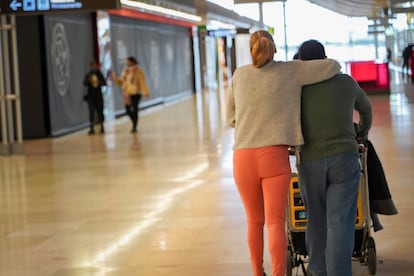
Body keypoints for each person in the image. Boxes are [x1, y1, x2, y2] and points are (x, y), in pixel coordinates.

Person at [225, 30, 341, 276]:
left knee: (254, 221)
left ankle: (258, 272)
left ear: (251, 50)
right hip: (274, 156)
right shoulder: (290, 70)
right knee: (276, 221)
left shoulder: (239, 75)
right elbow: (333, 66)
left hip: (243, 157)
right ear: (274, 49)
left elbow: (230, 118)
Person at [296, 39, 373, 276]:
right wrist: (360, 132)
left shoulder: (296, 87)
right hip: (344, 158)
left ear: (300, 61)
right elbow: (366, 109)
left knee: (316, 221)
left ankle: (318, 271)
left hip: (310, 161)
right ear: (325, 57)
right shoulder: (345, 82)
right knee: (339, 222)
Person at [112, 56, 150, 133]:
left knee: (135, 109)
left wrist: (145, 91)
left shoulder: (138, 71)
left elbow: (142, 82)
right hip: (127, 93)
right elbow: (122, 82)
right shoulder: (126, 71)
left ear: (132, 61)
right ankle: (134, 122)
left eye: (128, 61)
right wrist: (115, 78)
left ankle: (134, 126)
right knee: (128, 110)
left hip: (136, 93)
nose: (126, 63)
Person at [83, 59, 106, 135]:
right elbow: (85, 83)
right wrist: (90, 81)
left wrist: (98, 82)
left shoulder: (99, 74)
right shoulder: (88, 74)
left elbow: (104, 82)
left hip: (98, 96)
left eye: (94, 65)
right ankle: (91, 128)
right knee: (91, 111)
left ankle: (102, 127)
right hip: (91, 97)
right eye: (92, 65)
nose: (93, 66)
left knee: (100, 111)